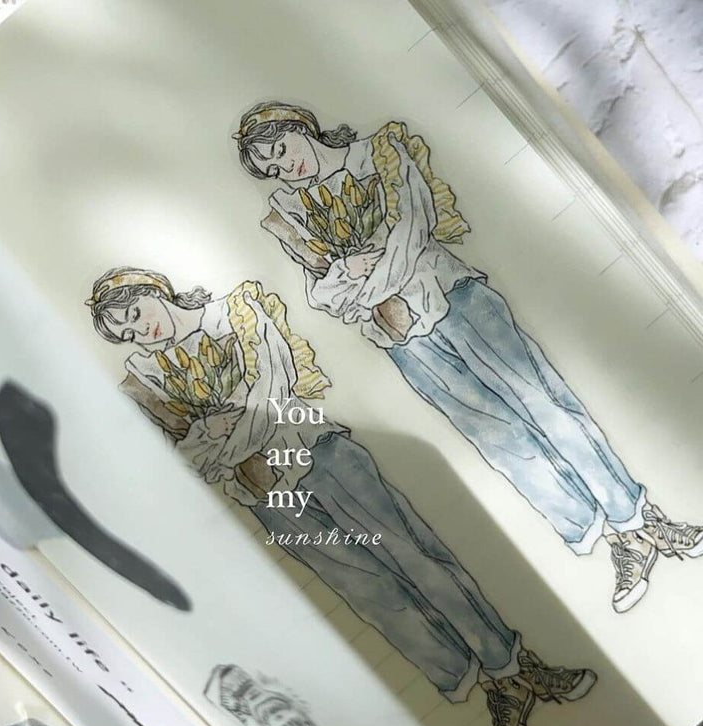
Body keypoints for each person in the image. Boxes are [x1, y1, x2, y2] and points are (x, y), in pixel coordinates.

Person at [86, 266, 597, 726]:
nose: (139, 330)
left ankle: (514, 665)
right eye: (124, 331)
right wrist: (222, 441)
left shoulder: (235, 312)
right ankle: (492, 689)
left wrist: (224, 437)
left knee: (417, 558)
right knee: (372, 593)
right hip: (268, 496)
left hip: (319, 451)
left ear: (155, 290)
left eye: (136, 311)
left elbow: (273, 388)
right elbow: (186, 458)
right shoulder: (141, 383)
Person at [234, 100, 703, 613]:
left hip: (454, 295)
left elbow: (414, 229)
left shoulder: (378, 153)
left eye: (282, 149)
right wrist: (359, 281)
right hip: (401, 338)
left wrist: (365, 281)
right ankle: (618, 543)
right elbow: (321, 293)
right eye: (270, 167)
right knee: (503, 441)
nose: (284, 167)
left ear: (301, 127)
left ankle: (640, 519)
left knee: (544, 404)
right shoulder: (286, 215)